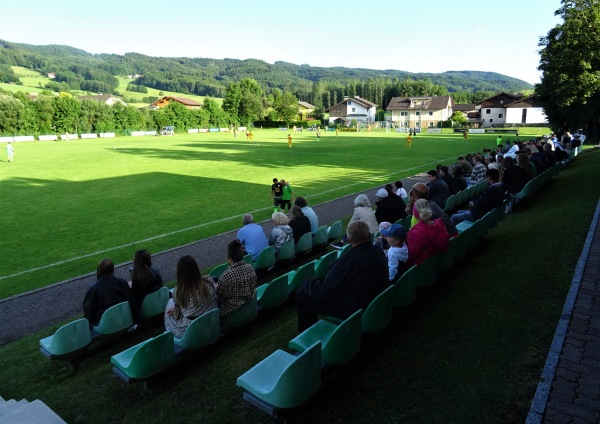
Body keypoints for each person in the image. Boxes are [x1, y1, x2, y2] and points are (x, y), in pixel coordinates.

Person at [295, 220, 388, 331]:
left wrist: (307, 283)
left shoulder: (349, 260)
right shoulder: (378, 250)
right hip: (371, 298)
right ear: (368, 235)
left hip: (356, 306)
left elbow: (324, 291)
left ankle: (309, 338)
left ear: (348, 239)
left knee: (302, 294)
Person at [164, 255, 217, 338]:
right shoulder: (208, 280)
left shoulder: (179, 291)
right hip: (211, 322)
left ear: (180, 273)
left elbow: (178, 313)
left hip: (191, 331)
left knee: (169, 307)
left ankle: (170, 336)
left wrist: (175, 310)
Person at [83, 258, 136, 326]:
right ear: (112, 269)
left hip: (106, 325)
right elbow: (132, 301)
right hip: (124, 318)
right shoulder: (121, 282)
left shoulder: (93, 289)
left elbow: (88, 314)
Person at [216, 239, 257, 319]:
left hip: (234, 313)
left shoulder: (227, 275)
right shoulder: (250, 267)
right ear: (242, 255)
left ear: (229, 257)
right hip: (249, 306)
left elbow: (219, 298)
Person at [407, 199, 449, 266]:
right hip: (437, 262)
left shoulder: (417, 232)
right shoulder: (439, 223)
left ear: (415, 214)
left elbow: (411, 255)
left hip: (423, 267)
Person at [130, 249, 163, 319]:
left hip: (147, 309)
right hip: (160, 303)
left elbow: (134, 296)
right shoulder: (155, 270)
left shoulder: (137, 278)